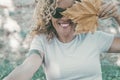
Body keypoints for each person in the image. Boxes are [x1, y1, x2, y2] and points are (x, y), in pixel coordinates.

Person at [3, 0, 120, 80]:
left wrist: (117, 16)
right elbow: (27, 66)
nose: (64, 18)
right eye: (58, 12)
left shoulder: (93, 37)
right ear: (48, 14)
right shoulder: (42, 41)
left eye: (70, 12)